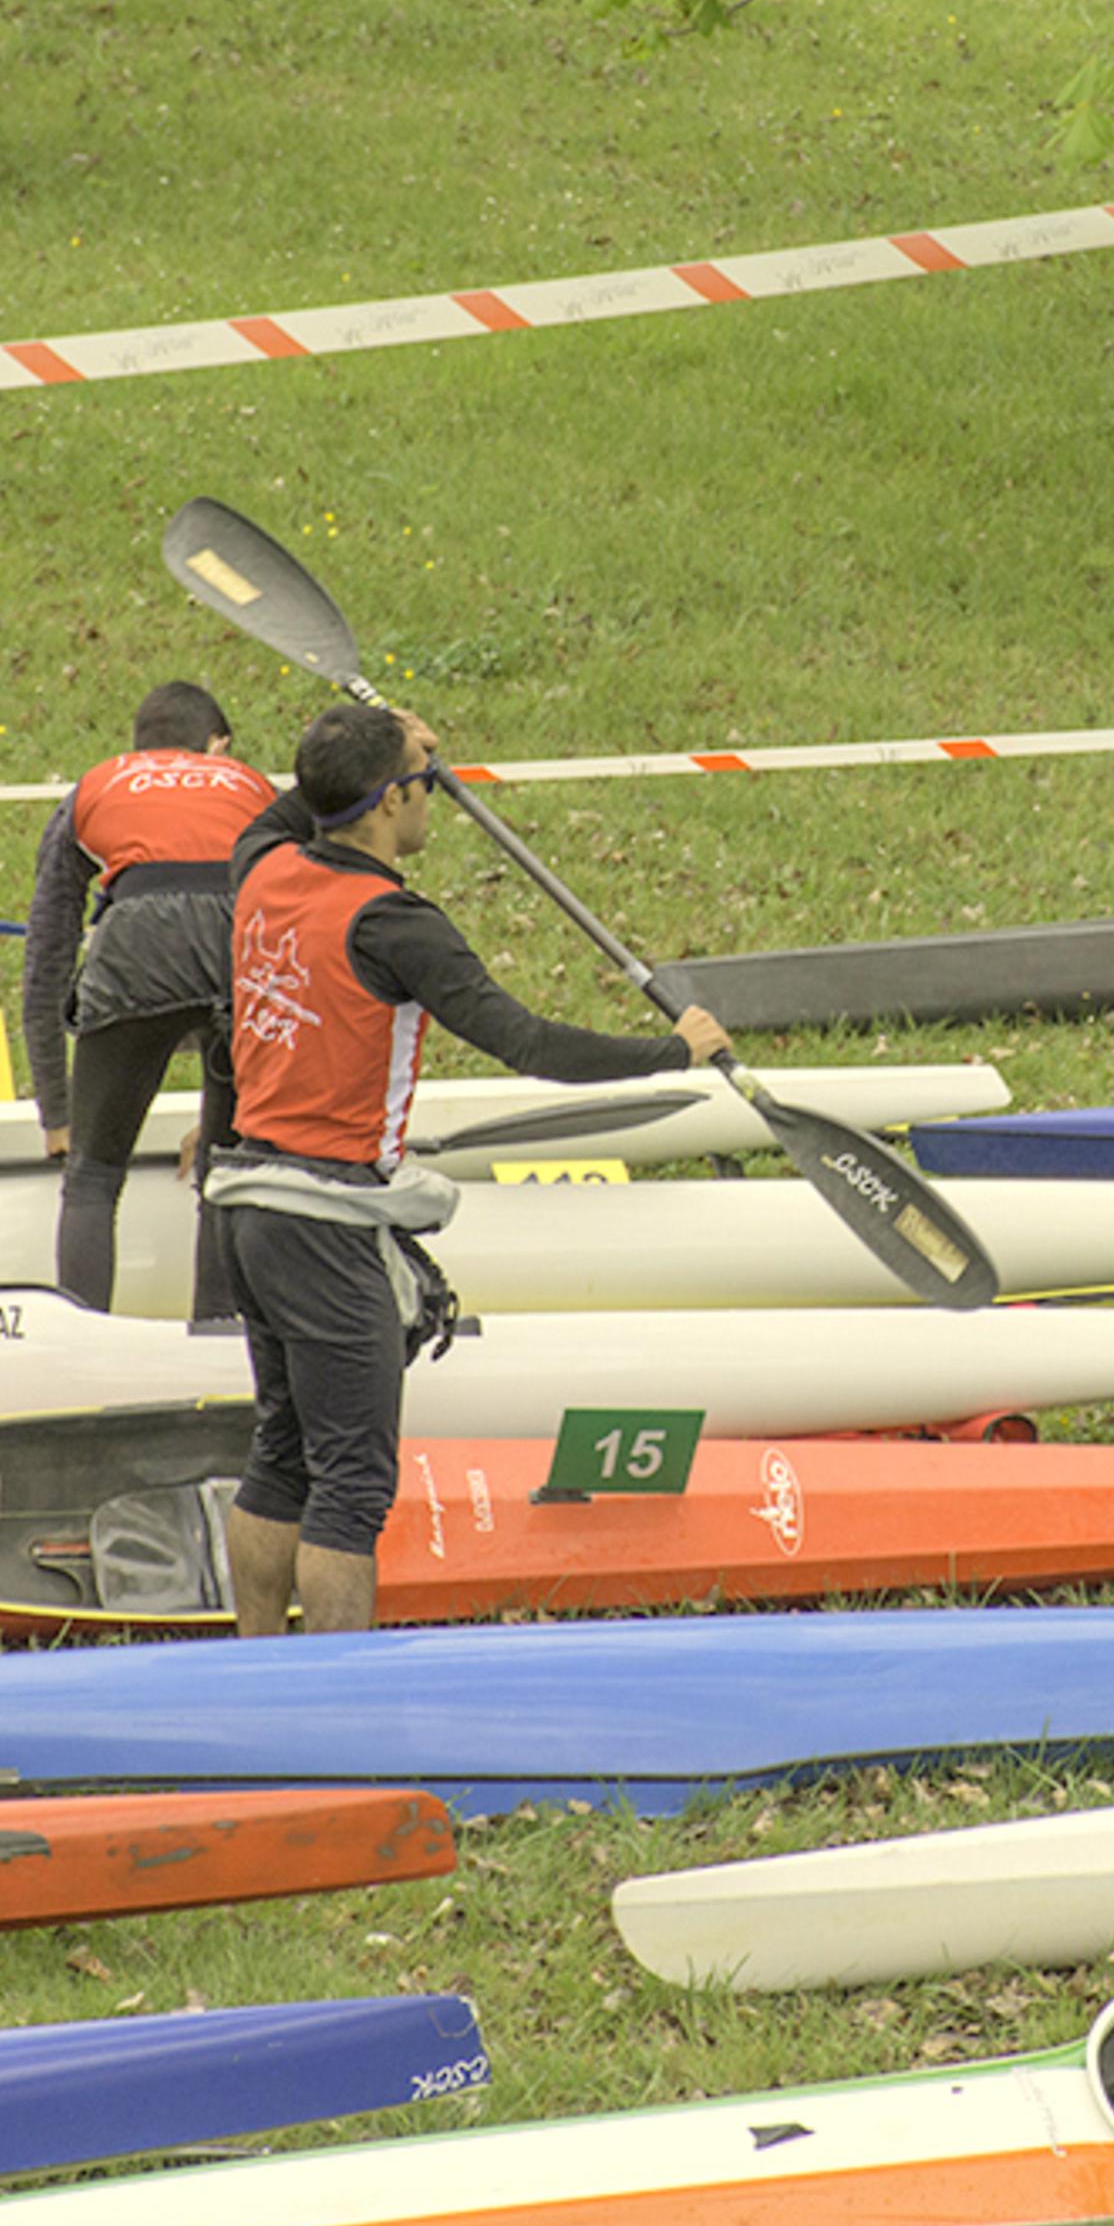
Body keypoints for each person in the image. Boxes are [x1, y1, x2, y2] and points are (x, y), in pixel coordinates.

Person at [205, 700, 729, 1635]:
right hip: (323, 1222)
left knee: (281, 1451)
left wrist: (375, 736)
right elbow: (525, 1040)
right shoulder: (397, 926)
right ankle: (334, 1696)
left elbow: (298, 798)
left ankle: (255, 1662)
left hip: (243, 1206)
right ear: (389, 800)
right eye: (423, 780)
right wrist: (670, 1053)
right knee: (353, 1483)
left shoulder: (263, 863)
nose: (433, 795)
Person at [24, 681, 270, 1316]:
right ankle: (216, 1338)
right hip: (240, 958)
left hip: (132, 953)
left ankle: (80, 1343)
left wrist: (59, 1112)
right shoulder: (251, 787)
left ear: (138, 750)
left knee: (94, 1179)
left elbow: (48, 955)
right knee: (225, 1179)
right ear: (218, 745)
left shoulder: (97, 786)